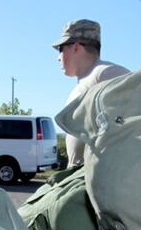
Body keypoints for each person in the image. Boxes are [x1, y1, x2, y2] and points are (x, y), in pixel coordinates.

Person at [52, 19, 129, 167]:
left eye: (61, 49)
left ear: (75, 47)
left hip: (102, 180)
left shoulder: (107, 73)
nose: (58, 57)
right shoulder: (87, 80)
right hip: (83, 177)